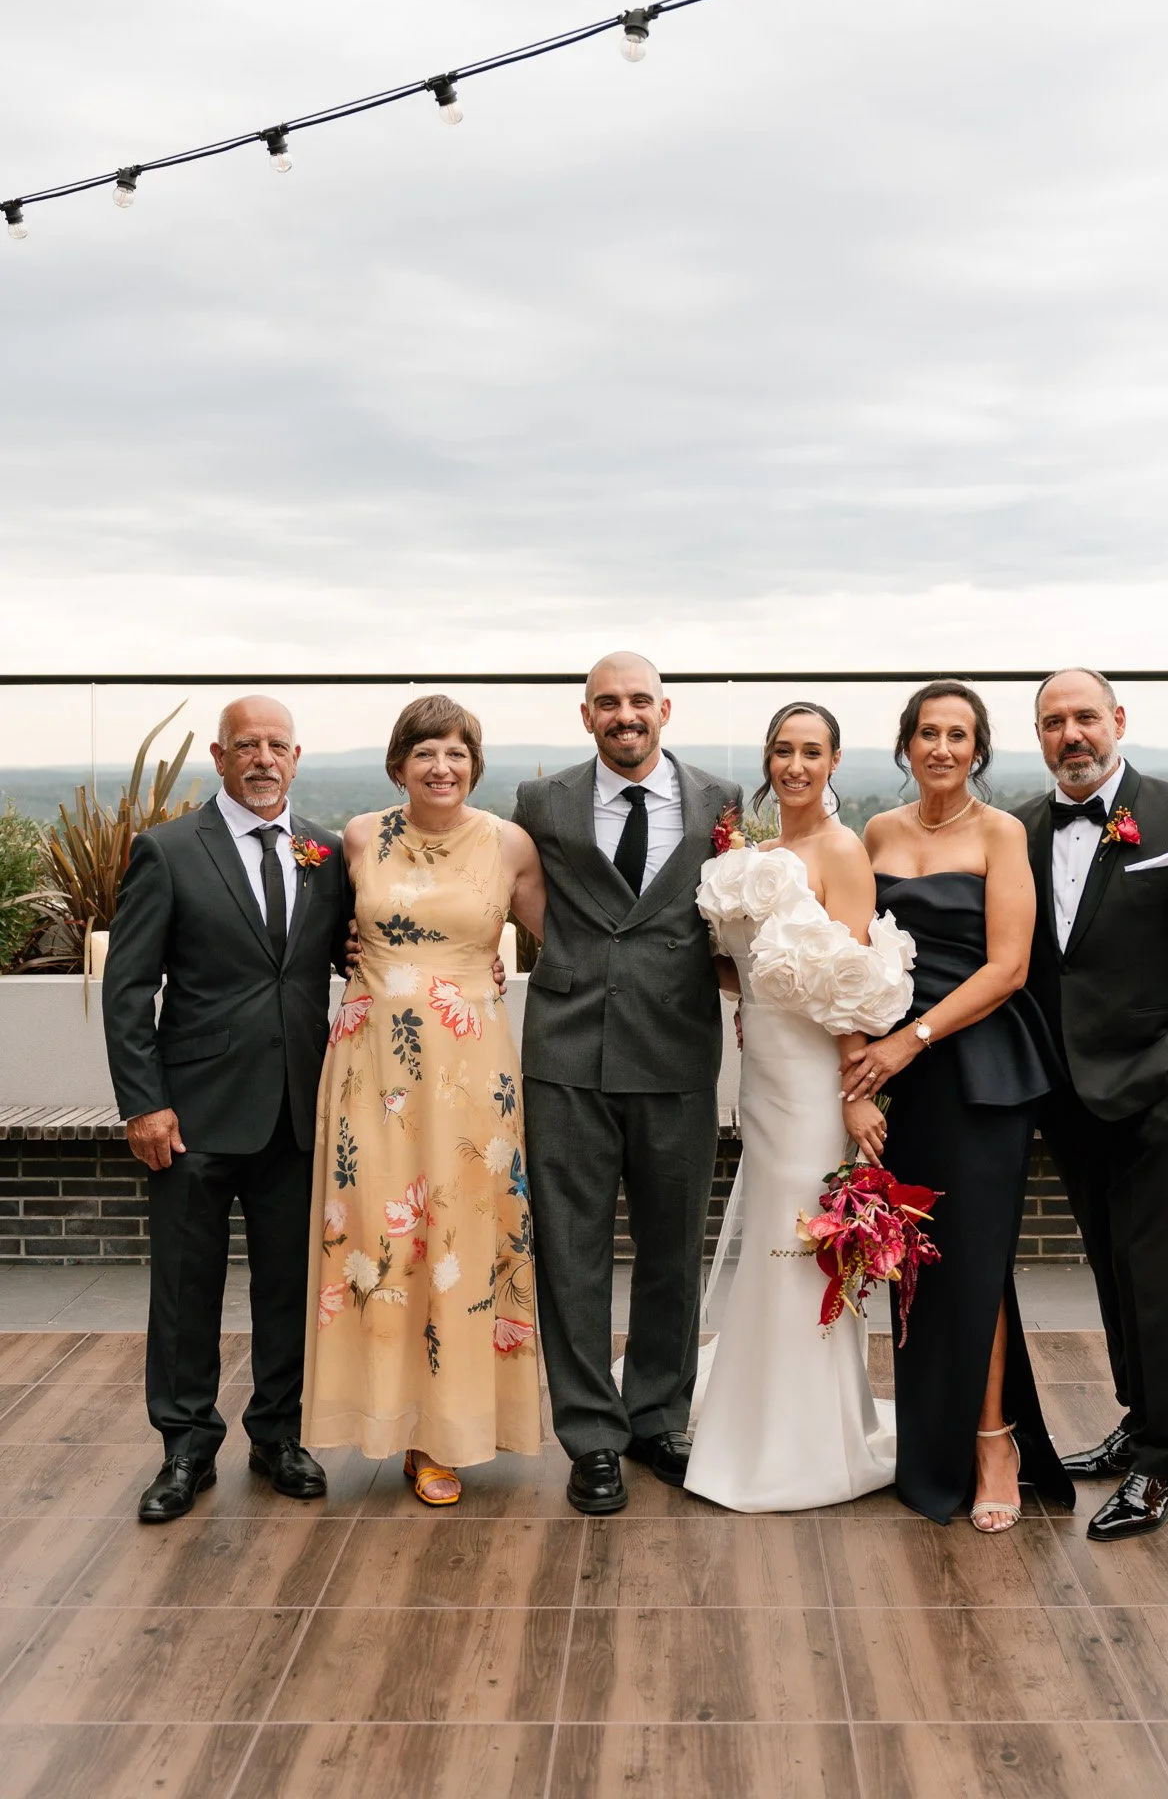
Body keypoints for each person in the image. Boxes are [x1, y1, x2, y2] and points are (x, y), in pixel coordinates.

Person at [1015, 668, 1168, 1540]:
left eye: (1084, 717)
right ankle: (1133, 1420)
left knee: (1152, 1278)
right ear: (1037, 735)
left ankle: (1163, 1465)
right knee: (1110, 1270)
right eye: (1052, 722)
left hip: (1155, 1092)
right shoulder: (1022, 828)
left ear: (1117, 720)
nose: (1070, 735)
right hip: (1065, 1095)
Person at [103, 696, 350, 1522]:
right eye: (247, 745)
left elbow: (363, 950)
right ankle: (184, 1448)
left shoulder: (326, 854)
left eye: (277, 745)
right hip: (193, 1115)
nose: (263, 758)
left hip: (295, 1112)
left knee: (287, 1286)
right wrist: (145, 1104)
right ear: (218, 755)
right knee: (184, 1290)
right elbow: (129, 986)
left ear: (297, 754)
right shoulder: (168, 851)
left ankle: (278, 1435)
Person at [512, 652, 743, 1514]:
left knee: (672, 1249)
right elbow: (486, 879)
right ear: (585, 717)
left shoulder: (722, 802)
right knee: (568, 1253)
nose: (624, 715)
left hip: (677, 1051)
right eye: (606, 703)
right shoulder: (542, 804)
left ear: (665, 709)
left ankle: (657, 1418)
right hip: (565, 1054)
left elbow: (736, 918)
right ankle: (592, 1437)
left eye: (638, 700)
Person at [301, 696, 545, 1504]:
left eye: (457, 752)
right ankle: (390, 1421)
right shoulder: (361, 838)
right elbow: (322, 938)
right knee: (379, 1232)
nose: (442, 766)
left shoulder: (510, 844)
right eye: (425, 752)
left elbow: (569, 947)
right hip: (373, 1064)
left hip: (473, 1069)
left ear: (475, 763)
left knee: (465, 1238)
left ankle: (453, 1430)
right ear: (397, 764)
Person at [850, 681, 1075, 1529]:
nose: (940, 747)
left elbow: (1007, 967)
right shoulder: (877, 832)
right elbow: (858, 952)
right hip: (897, 1078)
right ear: (905, 744)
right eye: (926, 733)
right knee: (916, 1260)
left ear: (976, 750)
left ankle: (993, 1442)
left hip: (976, 1070)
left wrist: (913, 1039)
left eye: (957, 735)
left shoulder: (1000, 832)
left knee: (973, 1260)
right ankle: (929, 1444)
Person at [685, 702, 914, 1512]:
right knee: (771, 1248)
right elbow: (746, 971)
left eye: (810, 752)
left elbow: (854, 985)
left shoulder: (843, 852)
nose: (794, 766)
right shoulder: (755, 857)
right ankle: (758, 1412)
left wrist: (857, 1099)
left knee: (804, 1242)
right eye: (782, 750)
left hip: (819, 1082)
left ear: (834, 762)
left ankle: (806, 1436)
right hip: (764, 1079)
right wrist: (745, 990)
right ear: (767, 758)